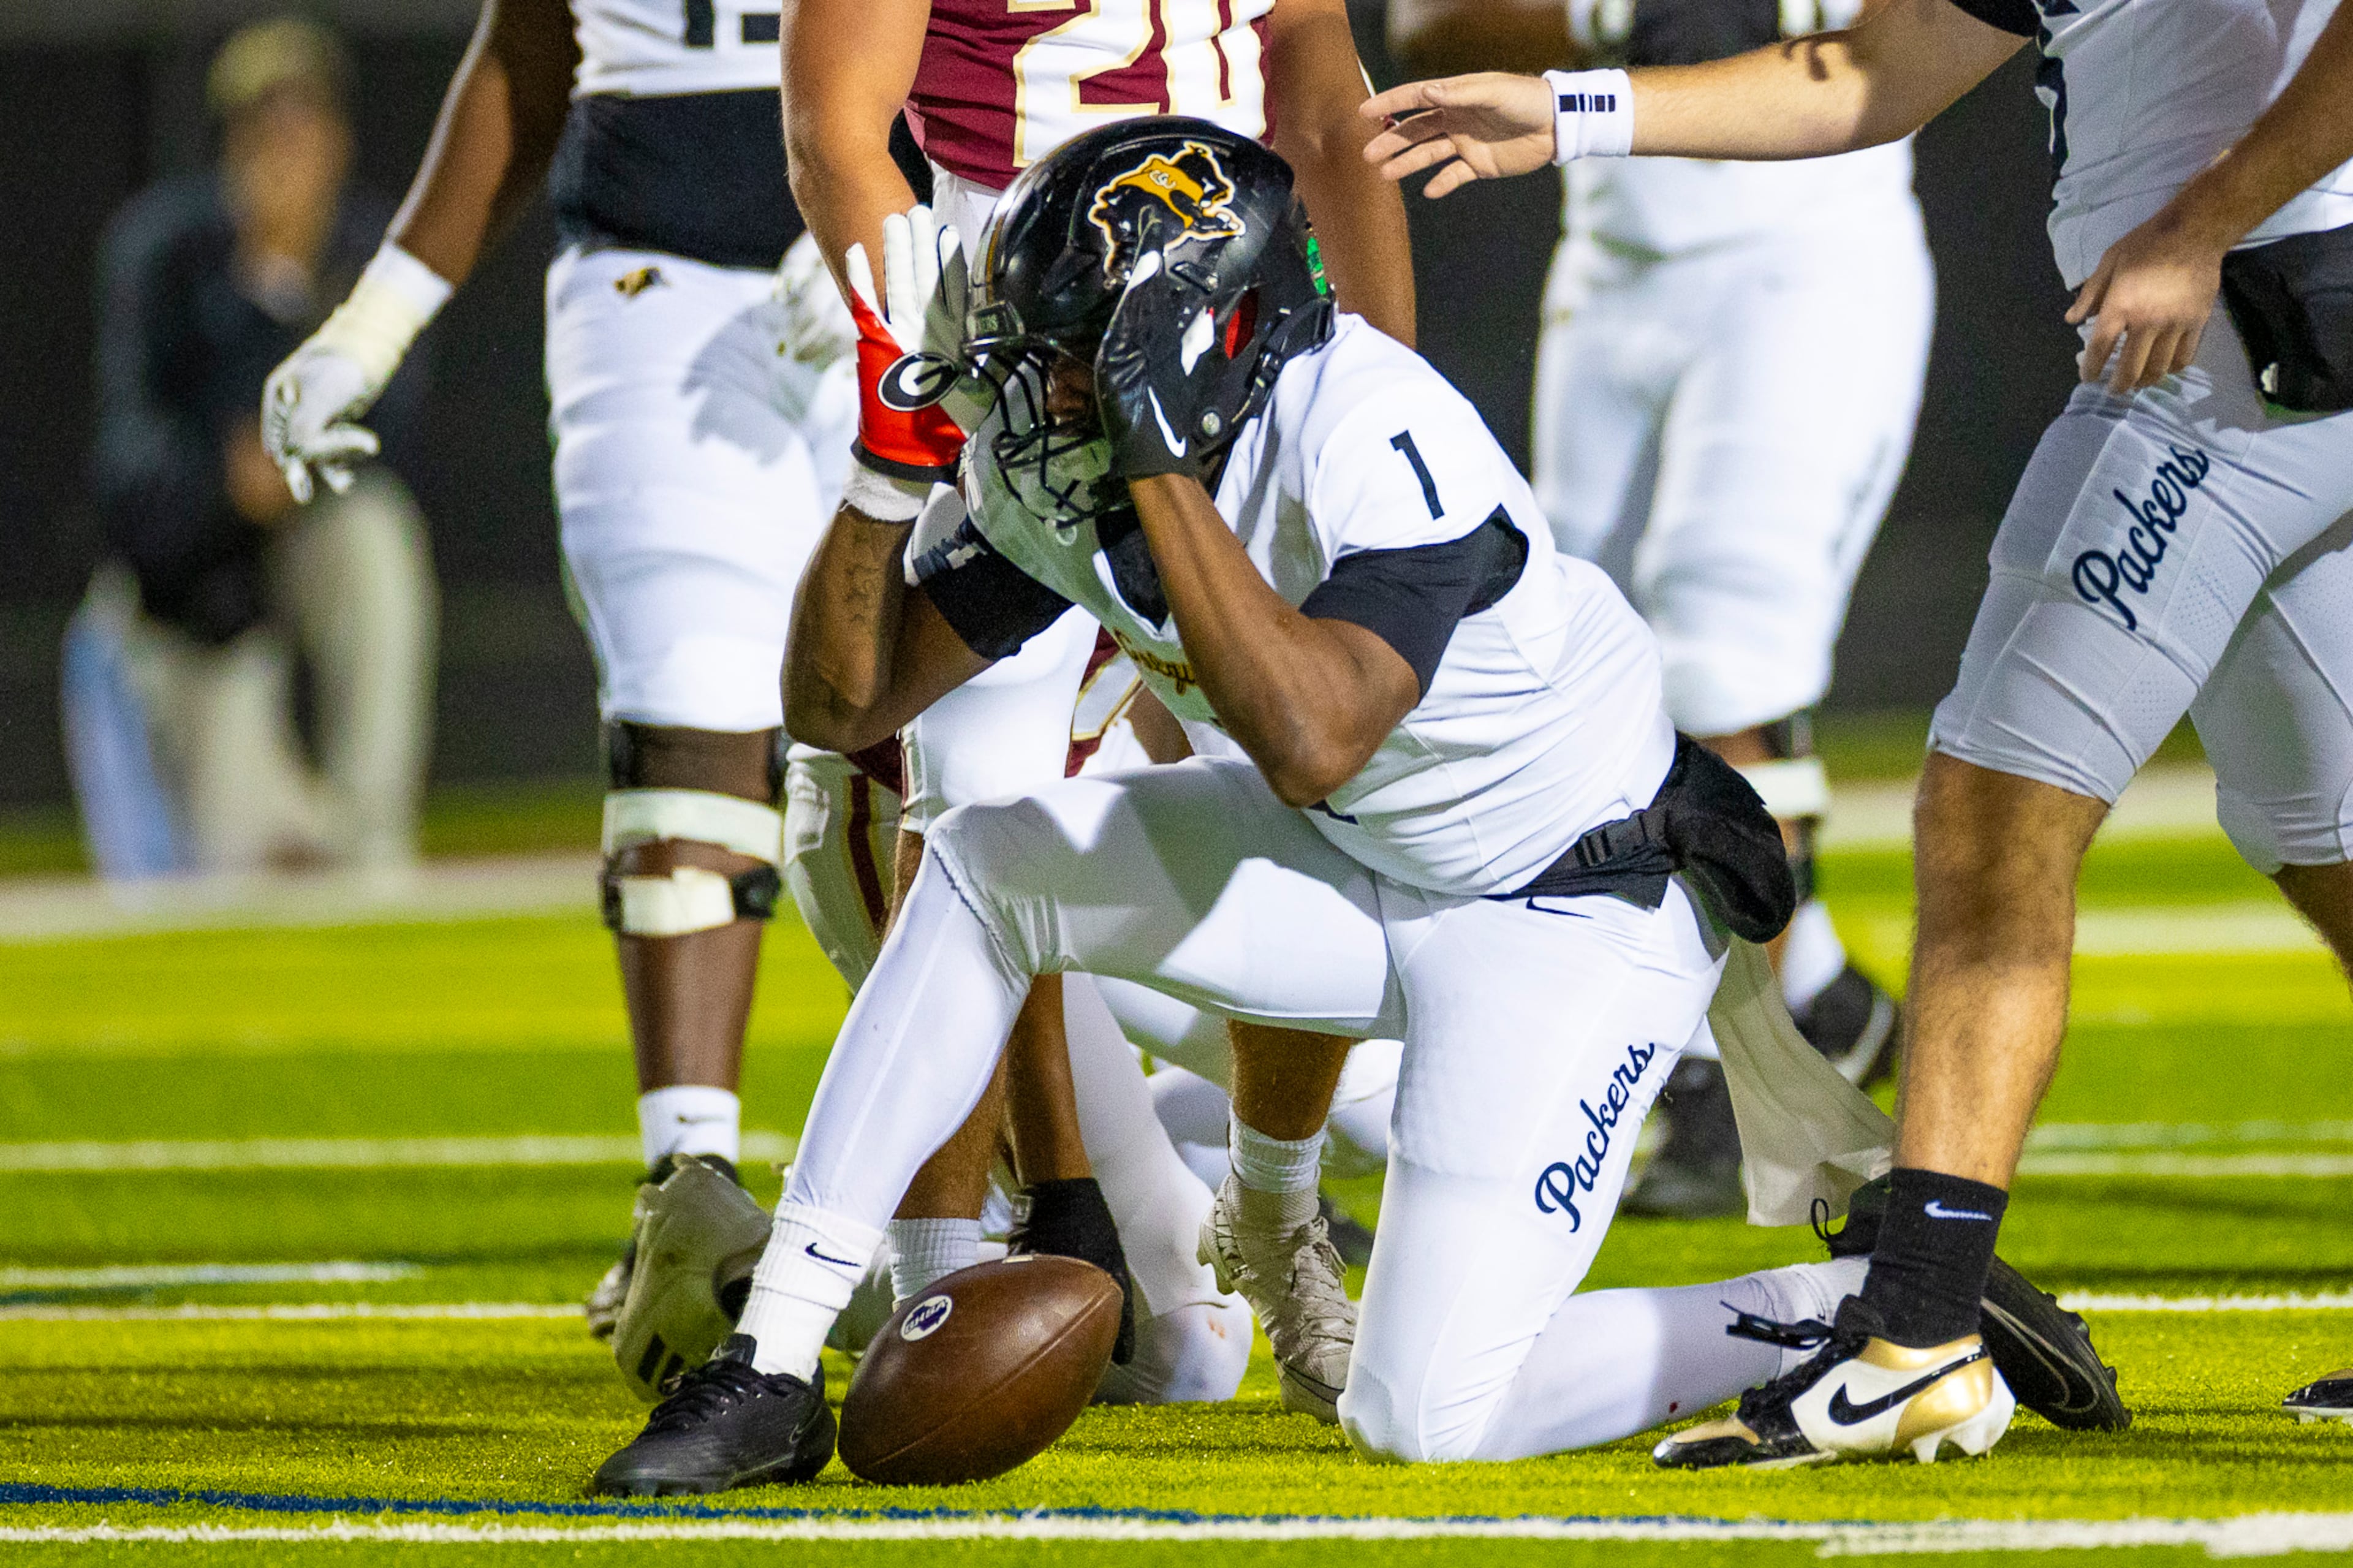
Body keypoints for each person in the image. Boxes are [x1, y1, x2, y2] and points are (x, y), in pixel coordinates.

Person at [586, 120, 2110, 1493]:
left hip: (1569, 909)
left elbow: (1310, 732)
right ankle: (772, 1358)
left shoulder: (1374, 431)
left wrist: (1159, 466)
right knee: (986, 860)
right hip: (1368, 867)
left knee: (1427, 1412)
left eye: (1071, 357)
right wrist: (882, 463)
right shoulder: (1077, 456)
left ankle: (1841, 1306)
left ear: (1203, 343)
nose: (1036, 395)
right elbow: (844, 707)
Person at [1359, 0, 2353, 1456]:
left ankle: (1918, 1332)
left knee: (1992, 809)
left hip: (2237, 342)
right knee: (2328, 839)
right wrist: (1570, 115)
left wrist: (2201, 220)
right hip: (2268, 325)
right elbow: (1865, 74)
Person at [778, 0, 1417, 1417]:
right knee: (953, 780)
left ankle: (1270, 1195)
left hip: (1231, 297)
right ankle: (951, 1251)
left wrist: (1382, 371)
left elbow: (1315, 74)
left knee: (1318, 775)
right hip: (1018, 309)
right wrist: (930, 338)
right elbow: (837, 129)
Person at [257, 0, 883, 1341]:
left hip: (908, 242)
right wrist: (366, 328)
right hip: (651, 269)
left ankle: (1036, 1200)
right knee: (684, 736)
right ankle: (687, 1193)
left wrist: (919, 221)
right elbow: (529, 53)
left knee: (960, 742)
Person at [1382, 0, 1925, 1218]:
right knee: (1588, 665)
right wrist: (1604, 12)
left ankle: (1731, 1071)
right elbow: (1428, 25)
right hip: (1616, 262)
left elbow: (1899, 44)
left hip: (1811, 251)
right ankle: (1826, 997)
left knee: (1724, 663)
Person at [83, 17, 436, 879]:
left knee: (375, 538)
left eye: (303, 126)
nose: (285, 153)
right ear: (227, 147)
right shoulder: (163, 254)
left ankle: (373, 838)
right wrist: (229, 480)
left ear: (339, 140)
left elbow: (396, 427)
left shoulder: (374, 257)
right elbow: (128, 480)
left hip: (312, 554)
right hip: (187, 612)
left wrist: (290, 308)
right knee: (242, 871)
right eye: (261, 129)